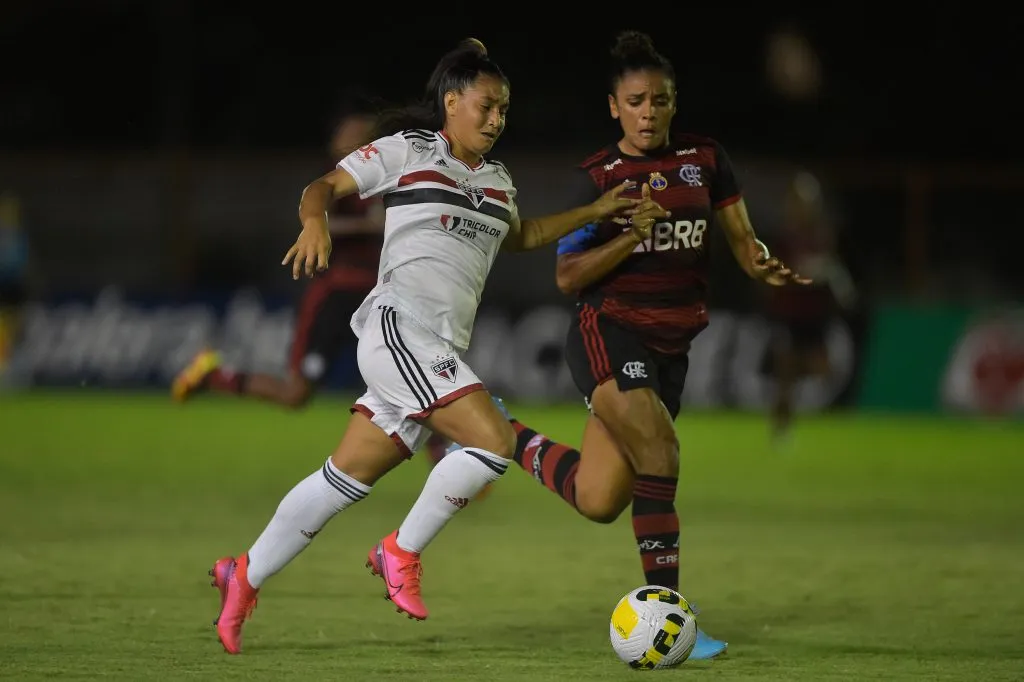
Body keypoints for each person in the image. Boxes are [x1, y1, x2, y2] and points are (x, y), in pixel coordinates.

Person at [207, 38, 667, 655]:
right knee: (494, 441)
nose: (496, 120)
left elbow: (521, 234)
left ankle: (245, 573)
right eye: (486, 106)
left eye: (504, 110)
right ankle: (399, 551)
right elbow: (322, 186)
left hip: (432, 349)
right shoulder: (409, 151)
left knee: (343, 478)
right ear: (452, 102)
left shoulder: (498, 180)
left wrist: (596, 209)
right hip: (399, 330)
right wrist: (314, 221)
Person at [436, 30, 812, 660]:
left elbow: (743, 242)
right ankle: (671, 619)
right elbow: (567, 277)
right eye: (635, 101)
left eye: (659, 100)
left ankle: (505, 431)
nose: (648, 112)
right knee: (661, 450)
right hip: (608, 332)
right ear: (615, 107)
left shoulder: (706, 160)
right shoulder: (598, 179)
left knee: (599, 498)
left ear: (673, 102)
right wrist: (630, 236)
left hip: (672, 349)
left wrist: (761, 262)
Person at [172, 93, 390, 407]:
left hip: (376, 293)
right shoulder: (331, 180)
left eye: (364, 133)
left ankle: (432, 436)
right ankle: (213, 375)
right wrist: (367, 225)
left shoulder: (379, 177)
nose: (358, 140)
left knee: (404, 379)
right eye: (352, 132)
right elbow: (318, 222)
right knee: (296, 394)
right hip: (335, 294)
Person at [763, 170, 856, 443]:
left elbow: (830, 267)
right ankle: (781, 427)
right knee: (786, 372)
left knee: (818, 367)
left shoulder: (821, 234)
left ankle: (813, 415)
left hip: (814, 314)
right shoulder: (784, 237)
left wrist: (837, 285)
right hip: (788, 313)